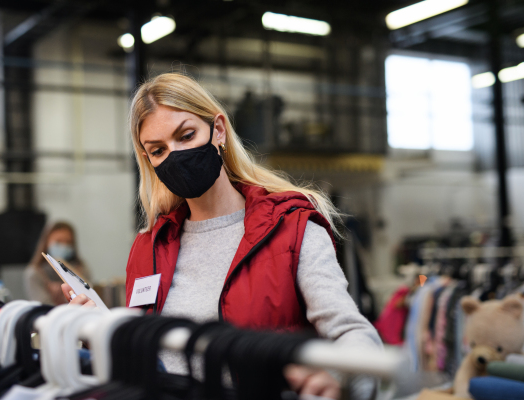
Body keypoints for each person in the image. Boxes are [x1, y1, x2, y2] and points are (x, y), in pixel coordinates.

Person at [62, 73, 382, 399]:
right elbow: (147, 357)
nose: (175, 155)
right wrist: (102, 330)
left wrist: (338, 381)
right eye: (158, 150)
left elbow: (352, 333)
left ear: (217, 130)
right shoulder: (149, 248)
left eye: (186, 135)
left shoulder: (292, 229)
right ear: (148, 160)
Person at [26, 221, 90, 305]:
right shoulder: (35, 273)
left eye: (68, 242)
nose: (63, 246)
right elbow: (43, 306)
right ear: (46, 242)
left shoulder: (80, 270)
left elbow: (88, 297)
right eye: (58, 242)